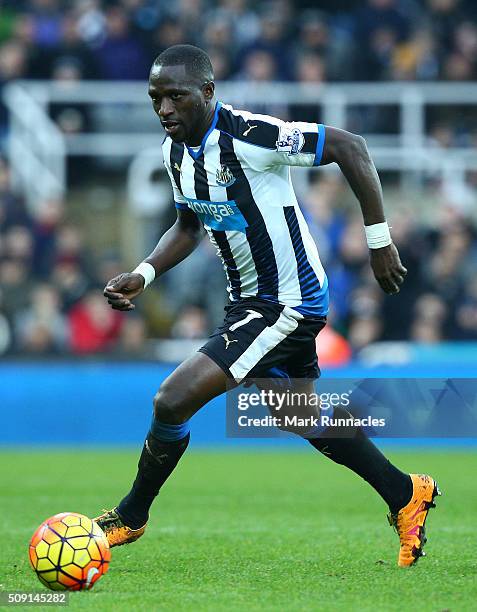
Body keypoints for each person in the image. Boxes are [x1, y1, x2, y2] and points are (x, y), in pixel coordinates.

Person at [95, 45, 439, 567]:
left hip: (288, 302)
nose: (164, 108)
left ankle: (130, 515)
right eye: (156, 97)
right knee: (296, 413)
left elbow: (351, 146)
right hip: (250, 303)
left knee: (171, 400)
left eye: (176, 96)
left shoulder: (250, 135)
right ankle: (404, 493)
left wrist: (378, 240)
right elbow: (191, 223)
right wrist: (144, 274)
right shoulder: (174, 153)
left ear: (208, 93)